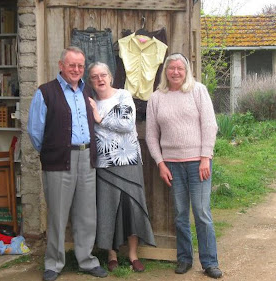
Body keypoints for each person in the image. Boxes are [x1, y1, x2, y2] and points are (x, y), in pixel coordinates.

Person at [27, 46, 108, 281]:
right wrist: (55, 151)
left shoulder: (86, 92)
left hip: (86, 159)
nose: (76, 69)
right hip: (59, 161)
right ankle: (53, 263)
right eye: (71, 65)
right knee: (58, 215)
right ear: (61, 65)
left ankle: (86, 260)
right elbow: (35, 132)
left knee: (86, 215)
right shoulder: (45, 92)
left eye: (80, 66)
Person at [145, 53, 223, 279]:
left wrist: (205, 157)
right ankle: (184, 258)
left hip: (198, 163)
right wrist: (160, 163)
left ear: (186, 70)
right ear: (165, 72)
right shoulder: (157, 98)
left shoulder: (198, 91)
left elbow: (210, 125)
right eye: (172, 69)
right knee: (180, 213)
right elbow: (151, 135)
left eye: (180, 68)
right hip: (172, 165)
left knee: (201, 212)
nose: (176, 72)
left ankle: (209, 262)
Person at [87, 62, 156, 273]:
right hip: (104, 164)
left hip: (129, 161)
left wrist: (100, 119)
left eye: (103, 75)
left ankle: (133, 255)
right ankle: (111, 254)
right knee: (109, 209)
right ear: (90, 81)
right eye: (95, 76)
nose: (100, 79)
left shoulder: (124, 95)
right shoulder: (89, 102)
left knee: (132, 207)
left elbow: (126, 124)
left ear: (110, 77)